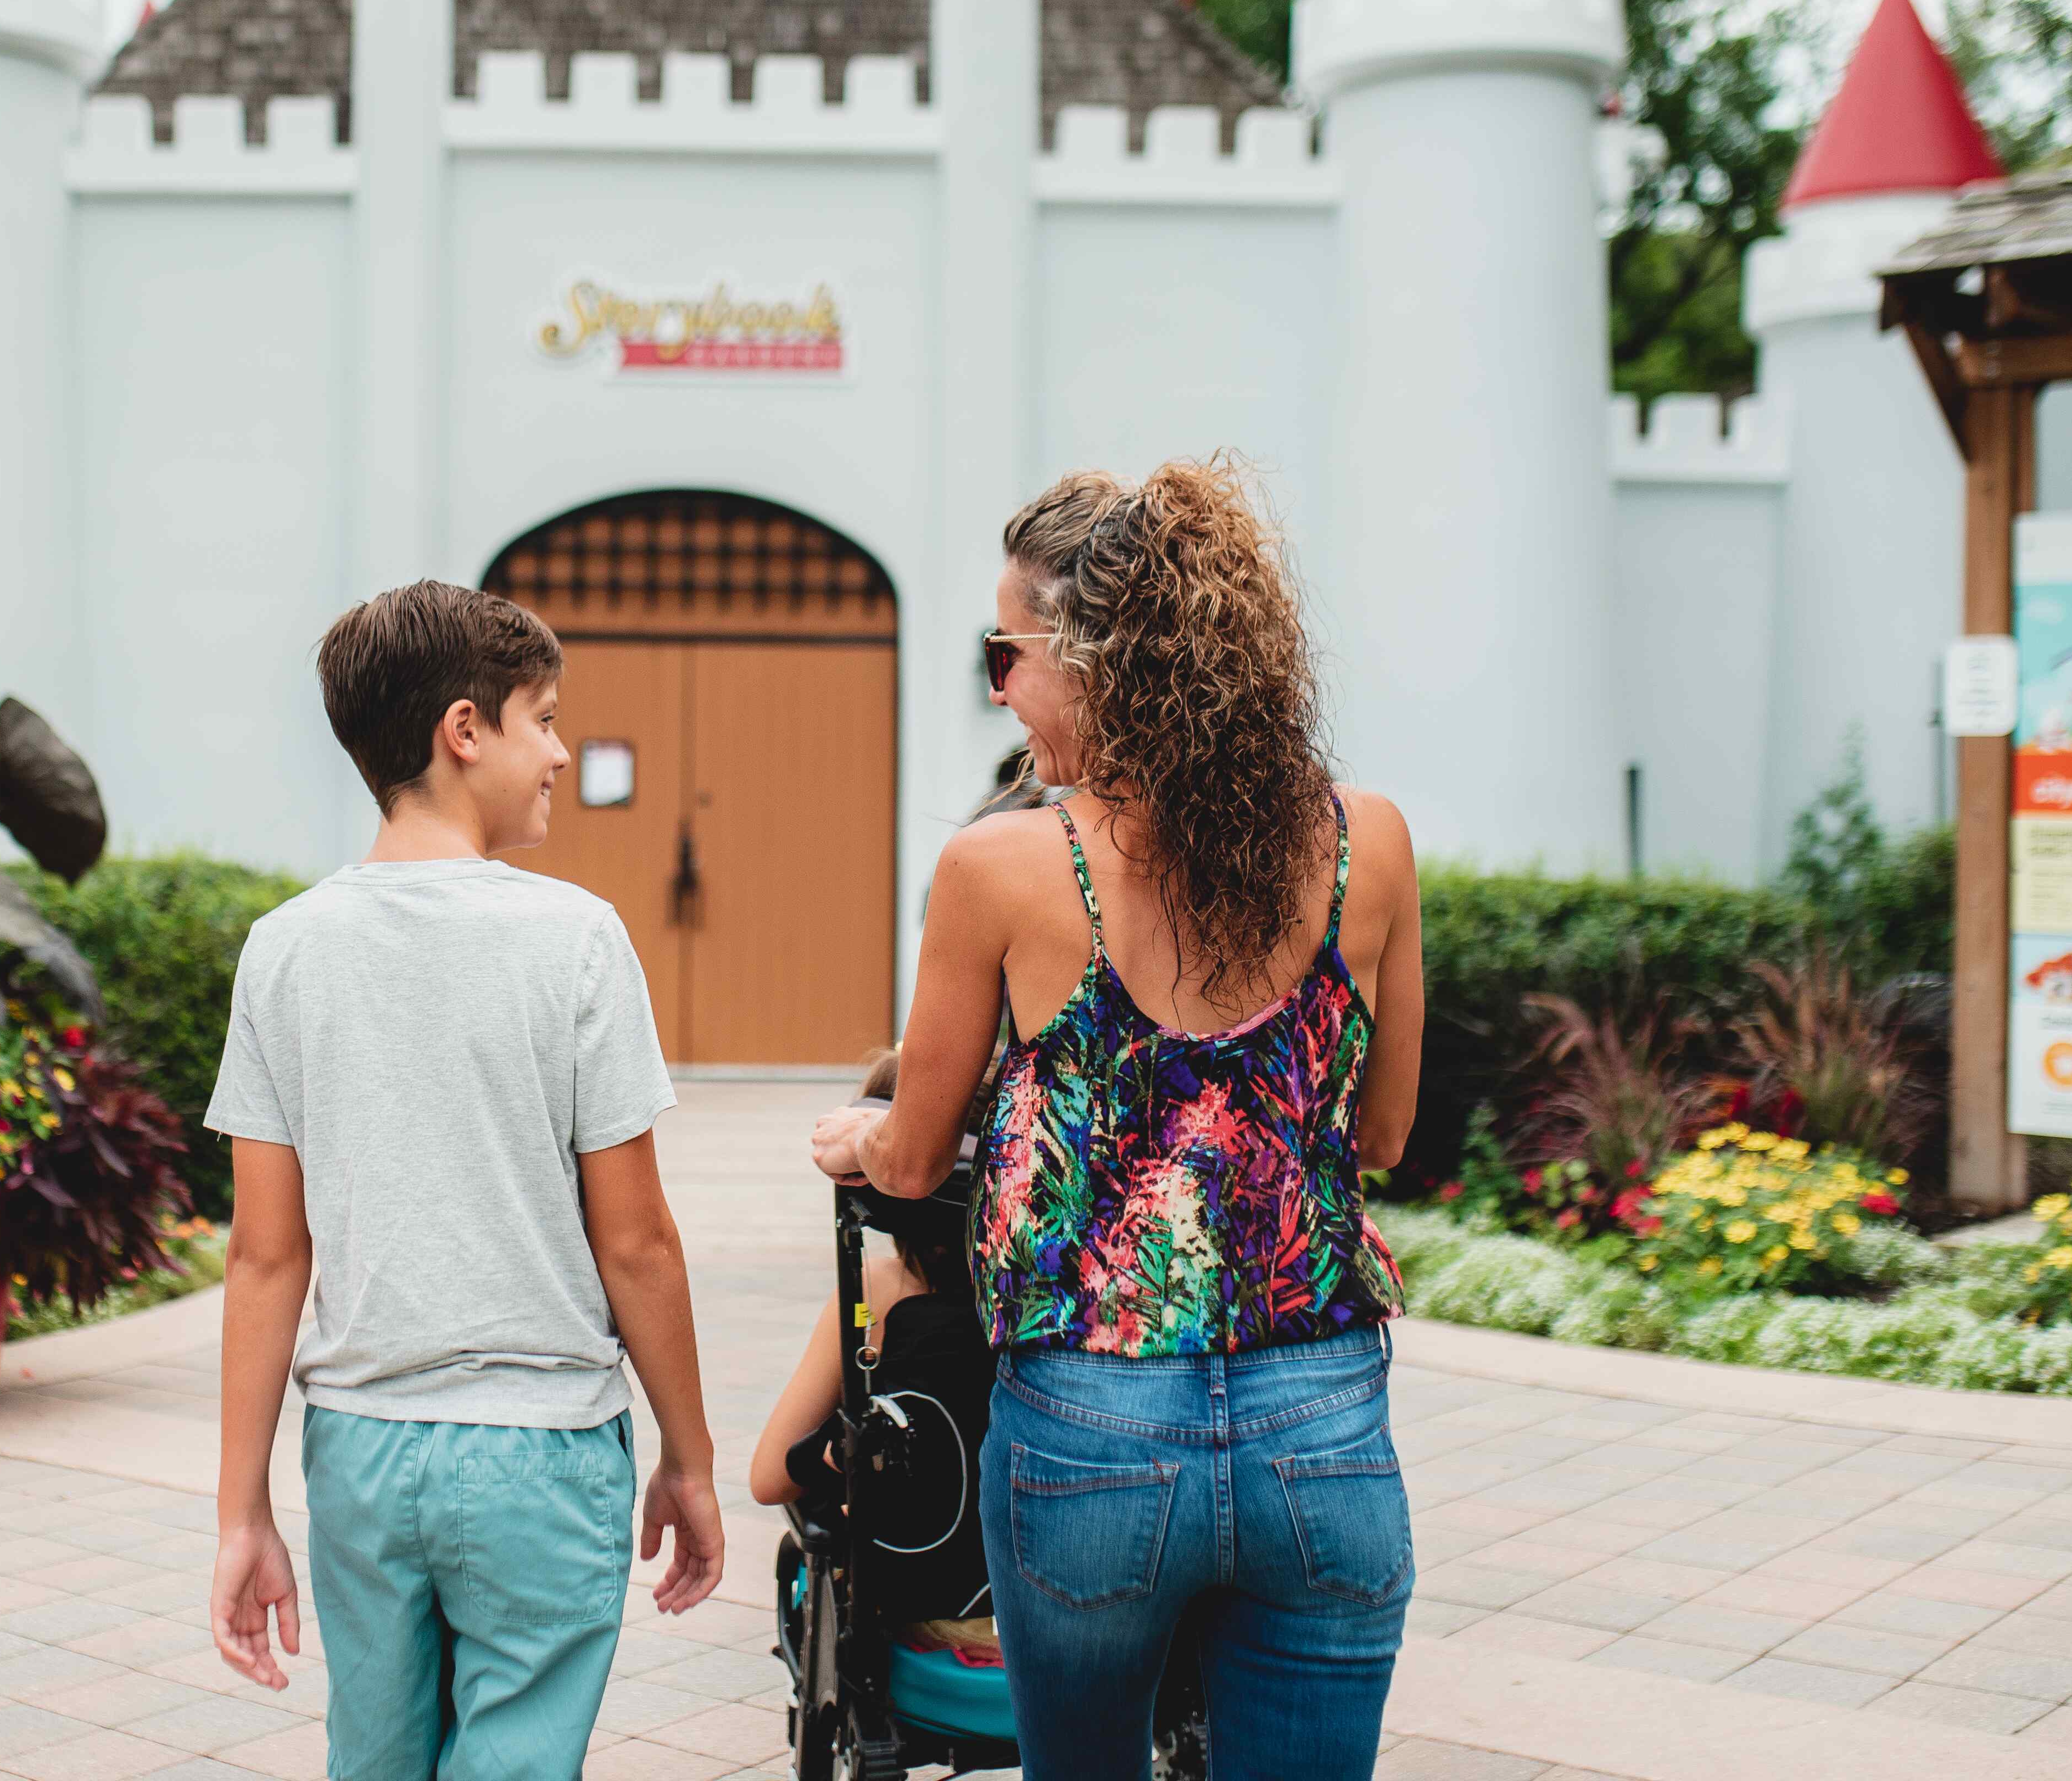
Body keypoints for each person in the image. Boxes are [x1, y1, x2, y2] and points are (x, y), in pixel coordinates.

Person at [810, 462, 1425, 1781]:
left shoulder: (1002, 866)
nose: (1000, 690)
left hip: (1090, 1424)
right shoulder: (1366, 842)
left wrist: (862, 1143)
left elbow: (915, 1154)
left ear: (1092, 659)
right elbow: (1383, 1136)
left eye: (1004, 653)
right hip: (1320, 1417)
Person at [205, 580, 727, 1779]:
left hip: (361, 1454)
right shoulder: (577, 938)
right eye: (542, 718)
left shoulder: (283, 948)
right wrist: (688, 1458)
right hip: (539, 1456)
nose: (557, 752)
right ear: (462, 730)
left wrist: (242, 1515)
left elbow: (264, 1255)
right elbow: (637, 1239)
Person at [750, 1049, 999, 1664]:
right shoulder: (1060, 1298)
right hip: (1060, 1613)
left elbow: (769, 1476)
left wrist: (837, 1450)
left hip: (921, 1612)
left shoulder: (879, 1291)